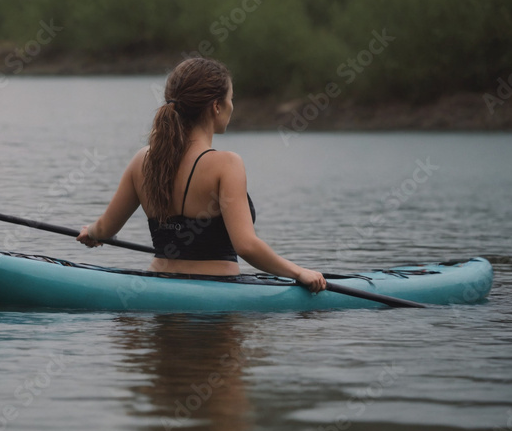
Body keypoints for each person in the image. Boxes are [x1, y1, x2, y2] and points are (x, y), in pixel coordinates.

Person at [77, 57, 326, 292]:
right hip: (218, 296)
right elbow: (246, 246)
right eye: (231, 98)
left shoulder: (142, 159)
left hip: (156, 286)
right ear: (216, 106)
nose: (232, 105)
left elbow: (106, 229)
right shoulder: (226, 164)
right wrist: (298, 272)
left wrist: (92, 233)